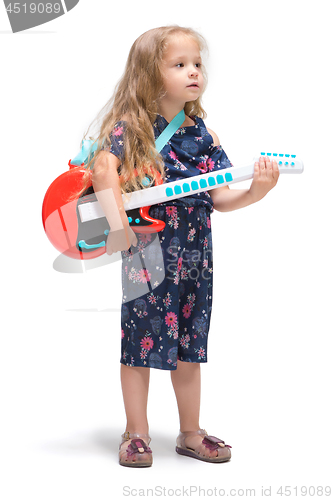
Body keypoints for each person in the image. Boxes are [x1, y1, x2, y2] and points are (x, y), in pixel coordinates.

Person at [86, 25, 279, 467]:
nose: (193, 71)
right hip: (147, 252)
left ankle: (190, 433)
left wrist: (255, 192)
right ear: (149, 76)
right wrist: (118, 230)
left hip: (195, 255)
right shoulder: (132, 128)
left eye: (197, 64)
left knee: (191, 342)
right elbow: (102, 169)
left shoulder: (203, 134)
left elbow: (220, 196)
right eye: (179, 64)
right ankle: (136, 433)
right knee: (138, 343)